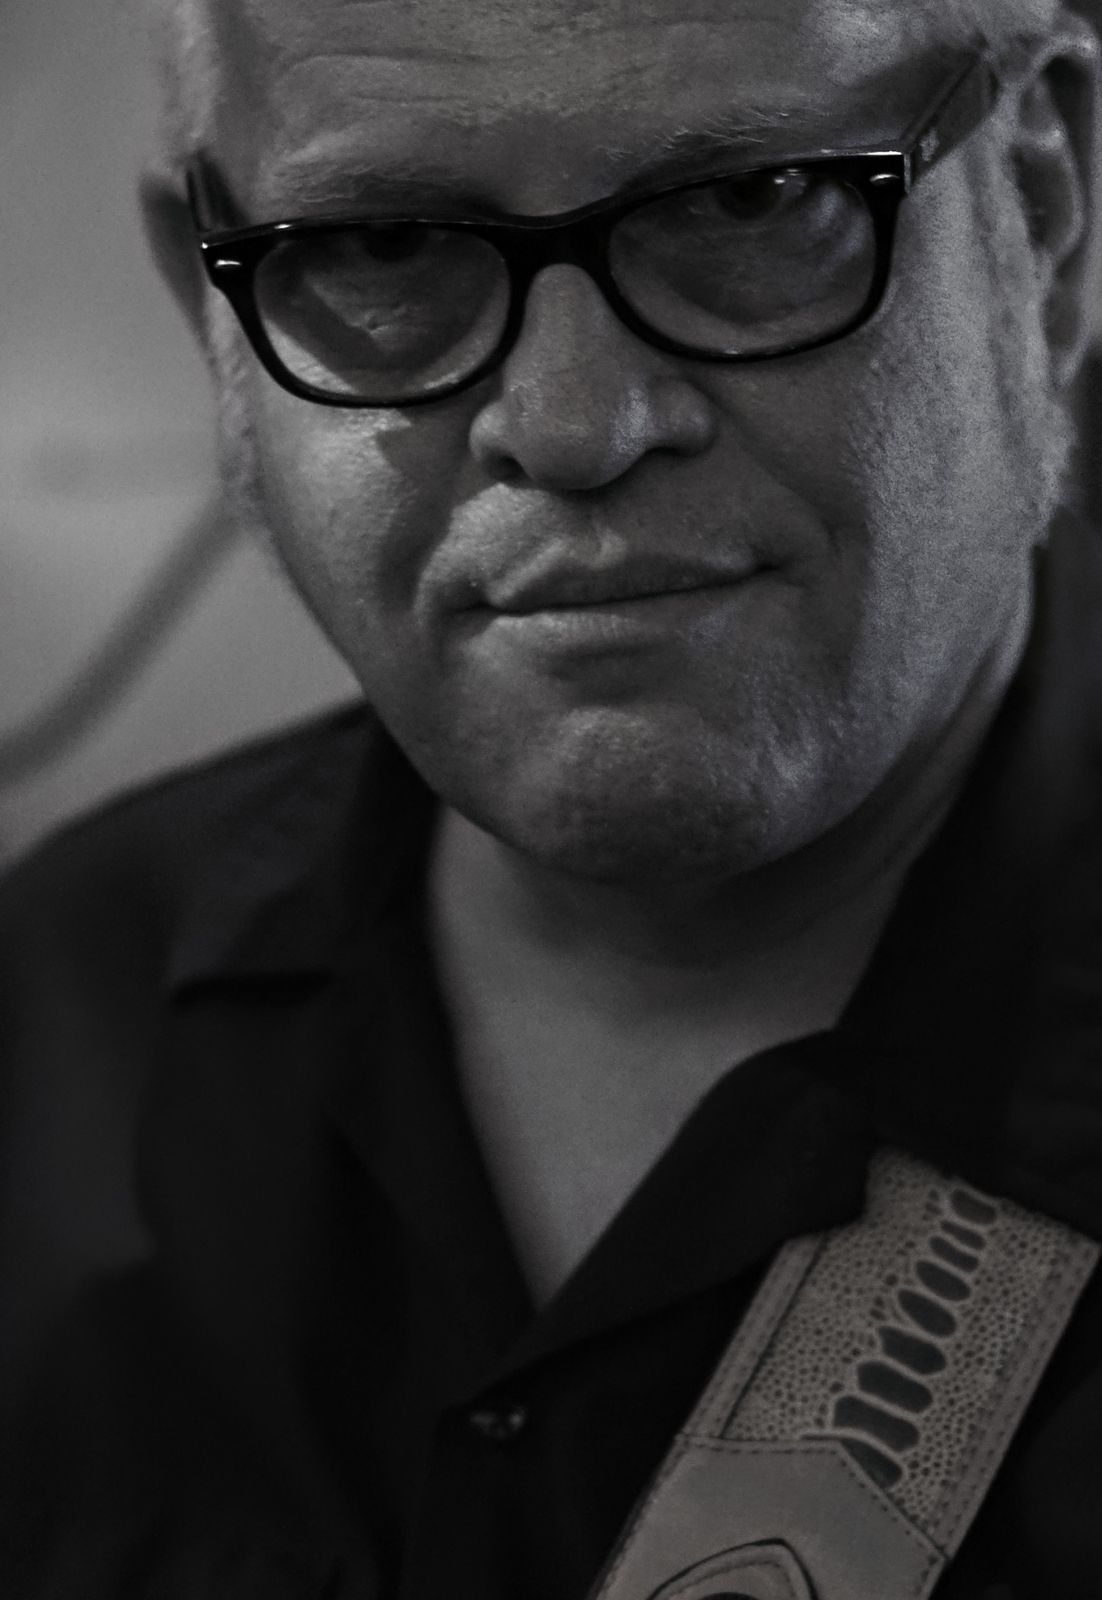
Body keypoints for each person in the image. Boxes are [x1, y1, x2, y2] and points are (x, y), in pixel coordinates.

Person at [2, 0, 1102, 1594]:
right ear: (209, 311)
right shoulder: (54, 1023)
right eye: (383, 247)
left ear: (1043, 207)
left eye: (746, 204)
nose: (574, 426)